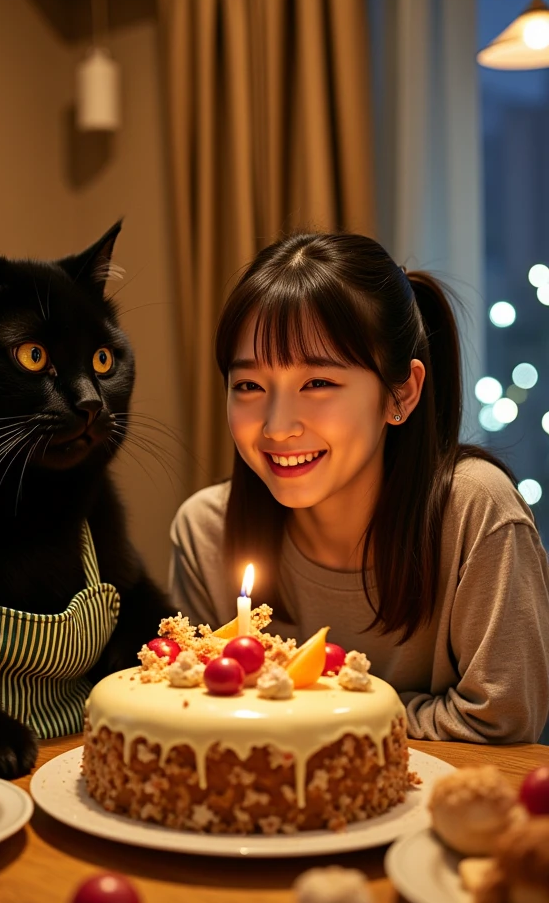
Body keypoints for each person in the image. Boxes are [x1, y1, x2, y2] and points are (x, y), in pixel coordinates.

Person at [169, 232, 549, 743]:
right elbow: (190, 713)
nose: (277, 426)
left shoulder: (476, 515)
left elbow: (501, 723)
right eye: (250, 386)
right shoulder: (205, 531)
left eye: (318, 383)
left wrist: (322, 713)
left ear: (402, 392)